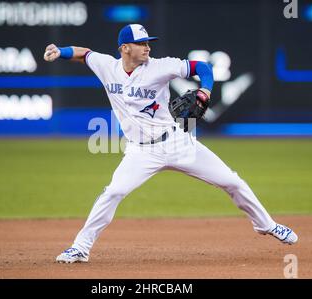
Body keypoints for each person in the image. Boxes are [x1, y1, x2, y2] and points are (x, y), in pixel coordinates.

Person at [44, 24, 298, 264]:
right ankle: (81, 247)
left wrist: (206, 91)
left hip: (177, 142)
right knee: (113, 192)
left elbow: (203, 67)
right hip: (141, 151)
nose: (147, 47)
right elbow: (85, 54)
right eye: (141, 43)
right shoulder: (107, 66)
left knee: (231, 181)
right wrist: (61, 52)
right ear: (124, 48)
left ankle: (267, 225)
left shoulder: (161, 67)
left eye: (148, 43)